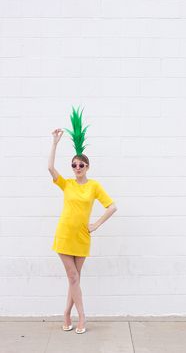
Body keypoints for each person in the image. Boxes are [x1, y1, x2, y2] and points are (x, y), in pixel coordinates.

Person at [48, 128, 117, 334]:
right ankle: (81, 317)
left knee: (74, 278)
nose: (77, 167)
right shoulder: (67, 184)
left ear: (87, 167)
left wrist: (96, 225)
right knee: (73, 276)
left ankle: (67, 313)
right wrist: (55, 142)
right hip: (64, 235)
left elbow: (112, 207)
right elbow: (50, 167)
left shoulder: (94, 186)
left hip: (82, 237)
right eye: (74, 165)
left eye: (81, 165)